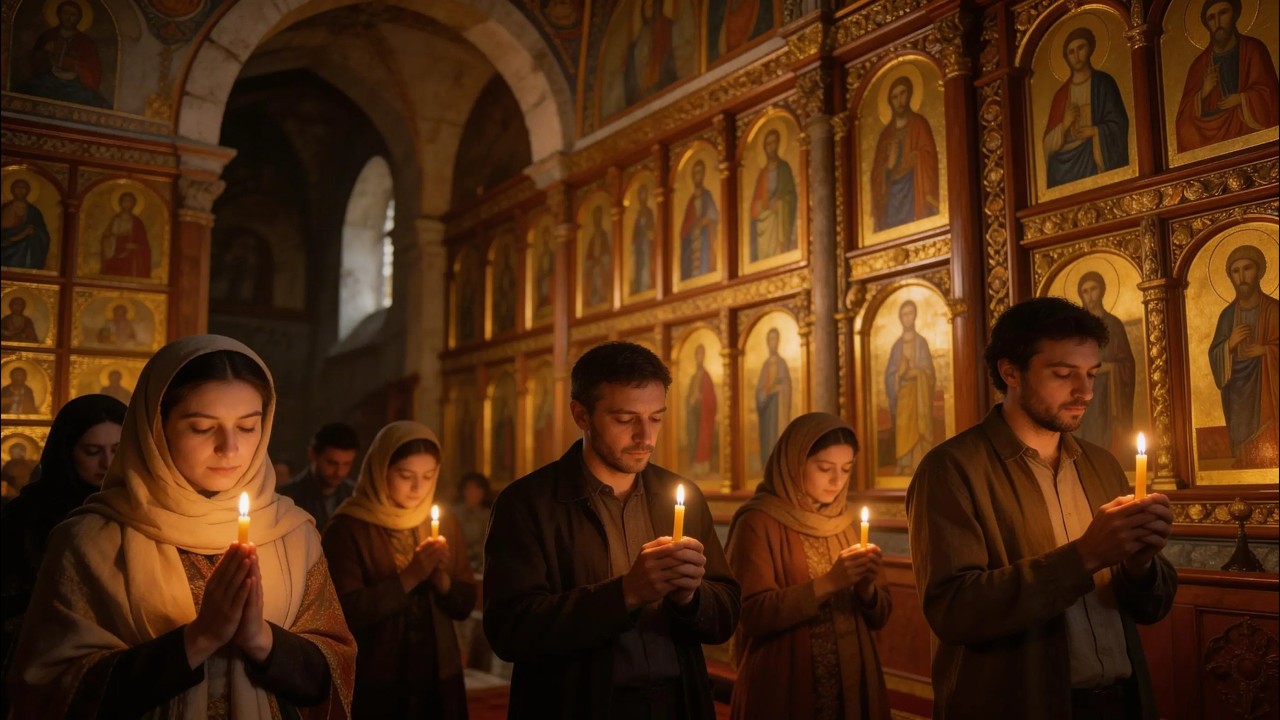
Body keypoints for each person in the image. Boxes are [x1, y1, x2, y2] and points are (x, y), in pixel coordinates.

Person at [6, 336, 356, 717]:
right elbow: (51, 689)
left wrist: (262, 640)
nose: (230, 448)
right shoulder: (91, 541)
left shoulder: (293, 534)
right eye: (203, 427)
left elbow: (331, 671)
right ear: (157, 427)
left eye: (247, 427)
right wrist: (197, 639)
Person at [907, 298, 1175, 719]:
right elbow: (954, 611)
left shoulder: (1101, 464)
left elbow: (1151, 608)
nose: (1084, 392)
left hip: (1120, 702)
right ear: (1010, 372)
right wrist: (1086, 555)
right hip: (1019, 704)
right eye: (1063, 374)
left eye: (1091, 374)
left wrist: (1139, 565)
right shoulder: (953, 469)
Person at [483, 341, 740, 719]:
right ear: (581, 415)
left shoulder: (680, 497)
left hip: (677, 702)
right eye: (625, 419)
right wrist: (626, 593)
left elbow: (726, 615)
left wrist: (690, 597)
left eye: (656, 418)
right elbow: (510, 631)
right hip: (578, 704)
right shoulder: (528, 503)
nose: (645, 436)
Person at [727, 413, 891, 720]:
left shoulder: (845, 522)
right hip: (786, 676)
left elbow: (881, 614)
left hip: (851, 679)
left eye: (846, 469)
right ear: (794, 463)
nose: (837, 481)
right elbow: (751, 614)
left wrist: (866, 589)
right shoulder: (758, 522)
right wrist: (830, 582)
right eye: (824, 468)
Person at [322, 422, 476, 718]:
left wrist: (442, 581)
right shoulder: (348, 528)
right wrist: (411, 576)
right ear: (381, 471)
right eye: (405, 476)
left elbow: (465, 602)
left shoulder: (446, 524)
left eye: (428, 477)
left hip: (438, 676)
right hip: (378, 679)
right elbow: (344, 613)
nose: (418, 488)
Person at [1, 395, 125, 715]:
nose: (108, 463)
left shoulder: (142, 511)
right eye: (93, 451)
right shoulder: (26, 518)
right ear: (67, 453)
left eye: (118, 450)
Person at [1175, 0, 1279, 152]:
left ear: (1235, 14)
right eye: (1211, 18)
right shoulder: (1199, 65)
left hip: (1251, 133)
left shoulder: (1254, 49)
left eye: (1223, 13)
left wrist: (1241, 99)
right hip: (1212, 136)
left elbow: (1271, 96)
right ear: (1206, 24)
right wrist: (1202, 94)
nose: (1217, 22)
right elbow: (1182, 123)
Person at [1208, 244, 1278, 468]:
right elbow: (1214, 353)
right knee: (1242, 446)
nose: (1241, 277)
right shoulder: (1227, 316)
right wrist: (1229, 344)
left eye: (1247, 269)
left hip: (1267, 386)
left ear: (1259, 272)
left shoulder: (1275, 310)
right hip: (1237, 391)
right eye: (1235, 271)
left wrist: (1266, 350)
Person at [1043, 27, 1129, 187]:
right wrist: (1064, 126)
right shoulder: (1061, 95)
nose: (1076, 56)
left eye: (1081, 48)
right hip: (1066, 160)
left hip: (1093, 153)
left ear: (1091, 48)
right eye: (1071, 52)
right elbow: (1047, 145)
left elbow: (1120, 123)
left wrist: (1095, 131)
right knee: (1054, 164)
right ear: (1066, 57)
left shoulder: (1104, 83)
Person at [1075, 271, 1136, 459]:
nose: (1090, 295)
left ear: (1102, 291)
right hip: (1080, 392)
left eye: (1093, 289)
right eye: (1085, 291)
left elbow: (1127, 363)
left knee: (1103, 433)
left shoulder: (1114, 325)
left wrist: (1109, 367)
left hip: (1107, 393)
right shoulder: (1076, 329)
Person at [870, 76, 939, 231]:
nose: (899, 100)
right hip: (892, 197)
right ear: (889, 101)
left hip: (914, 189)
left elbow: (929, 157)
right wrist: (888, 167)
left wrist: (916, 158)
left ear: (910, 94)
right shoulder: (885, 135)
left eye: (903, 94)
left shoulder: (919, 124)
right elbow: (875, 175)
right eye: (894, 97)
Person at [20, 0, 109, 108]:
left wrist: (74, 65)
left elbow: (93, 70)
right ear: (59, 14)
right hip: (49, 79)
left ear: (79, 18)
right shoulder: (48, 35)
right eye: (65, 13)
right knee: (30, 88)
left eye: (73, 15)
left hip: (75, 84)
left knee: (92, 100)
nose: (68, 17)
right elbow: (33, 63)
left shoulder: (86, 42)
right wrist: (44, 51)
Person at [884, 300, 937, 475]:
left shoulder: (921, 342)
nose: (908, 318)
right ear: (900, 318)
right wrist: (899, 375)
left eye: (911, 313)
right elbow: (890, 374)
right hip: (903, 394)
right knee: (903, 427)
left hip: (918, 392)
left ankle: (918, 461)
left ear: (915, 316)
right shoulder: (897, 346)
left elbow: (928, 370)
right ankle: (903, 462)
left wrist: (916, 372)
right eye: (904, 314)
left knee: (918, 425)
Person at [279, 422, 360, 530]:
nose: (339, 472)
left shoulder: (355, 496)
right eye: (332, 463)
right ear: (312, 454)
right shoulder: (287, 498)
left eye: (346, 464)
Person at [747, 129, 797, 261]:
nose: (771, 147)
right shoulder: (762, 174)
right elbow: (754, 207)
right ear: (764, 148)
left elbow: (791, 196)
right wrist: (764, 205)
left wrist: (781, 203)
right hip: (764, 220)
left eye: (773, 142)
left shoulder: (784, 168)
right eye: (768, 144)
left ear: (778, 144)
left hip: (779, 218)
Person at [679, 160, 719, 279]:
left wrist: (702, 223)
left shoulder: (707, 195)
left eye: (700, 172)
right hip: (692, 241)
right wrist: (691, 228)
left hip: (705, 239)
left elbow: (714, 215)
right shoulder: (690, 201)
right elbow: (684, 229)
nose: (698, 176)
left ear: (703, 175)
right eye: (695, 173)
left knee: (704, 267)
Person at [1, 180, 52, 271]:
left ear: (28, 191)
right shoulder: (4, 209)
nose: (20, 190)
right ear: (12, 190)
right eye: (17, 187)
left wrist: (33, 232)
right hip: (5, 246)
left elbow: (43, 235)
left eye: (23, 188)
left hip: (26, 248)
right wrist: (16, 235)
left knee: (28, 242)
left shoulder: (34, 211)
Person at [98, 192, 151, 278]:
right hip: (114, 254)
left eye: (130, 201)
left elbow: (144, 243)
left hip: (131, 257)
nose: (127, 204)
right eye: (125, 201)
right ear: (120, 203)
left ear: (133, 204)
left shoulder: (137, 222)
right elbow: (106, 237)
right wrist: (111, 240)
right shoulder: (115, 220)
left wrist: (135, 246)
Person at [452, 472, 493, 576]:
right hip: (457, 565)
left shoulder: (489, 515)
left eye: (477, 489)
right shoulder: (453, 514)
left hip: (482, 566)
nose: (472, 493)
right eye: (468, 489)